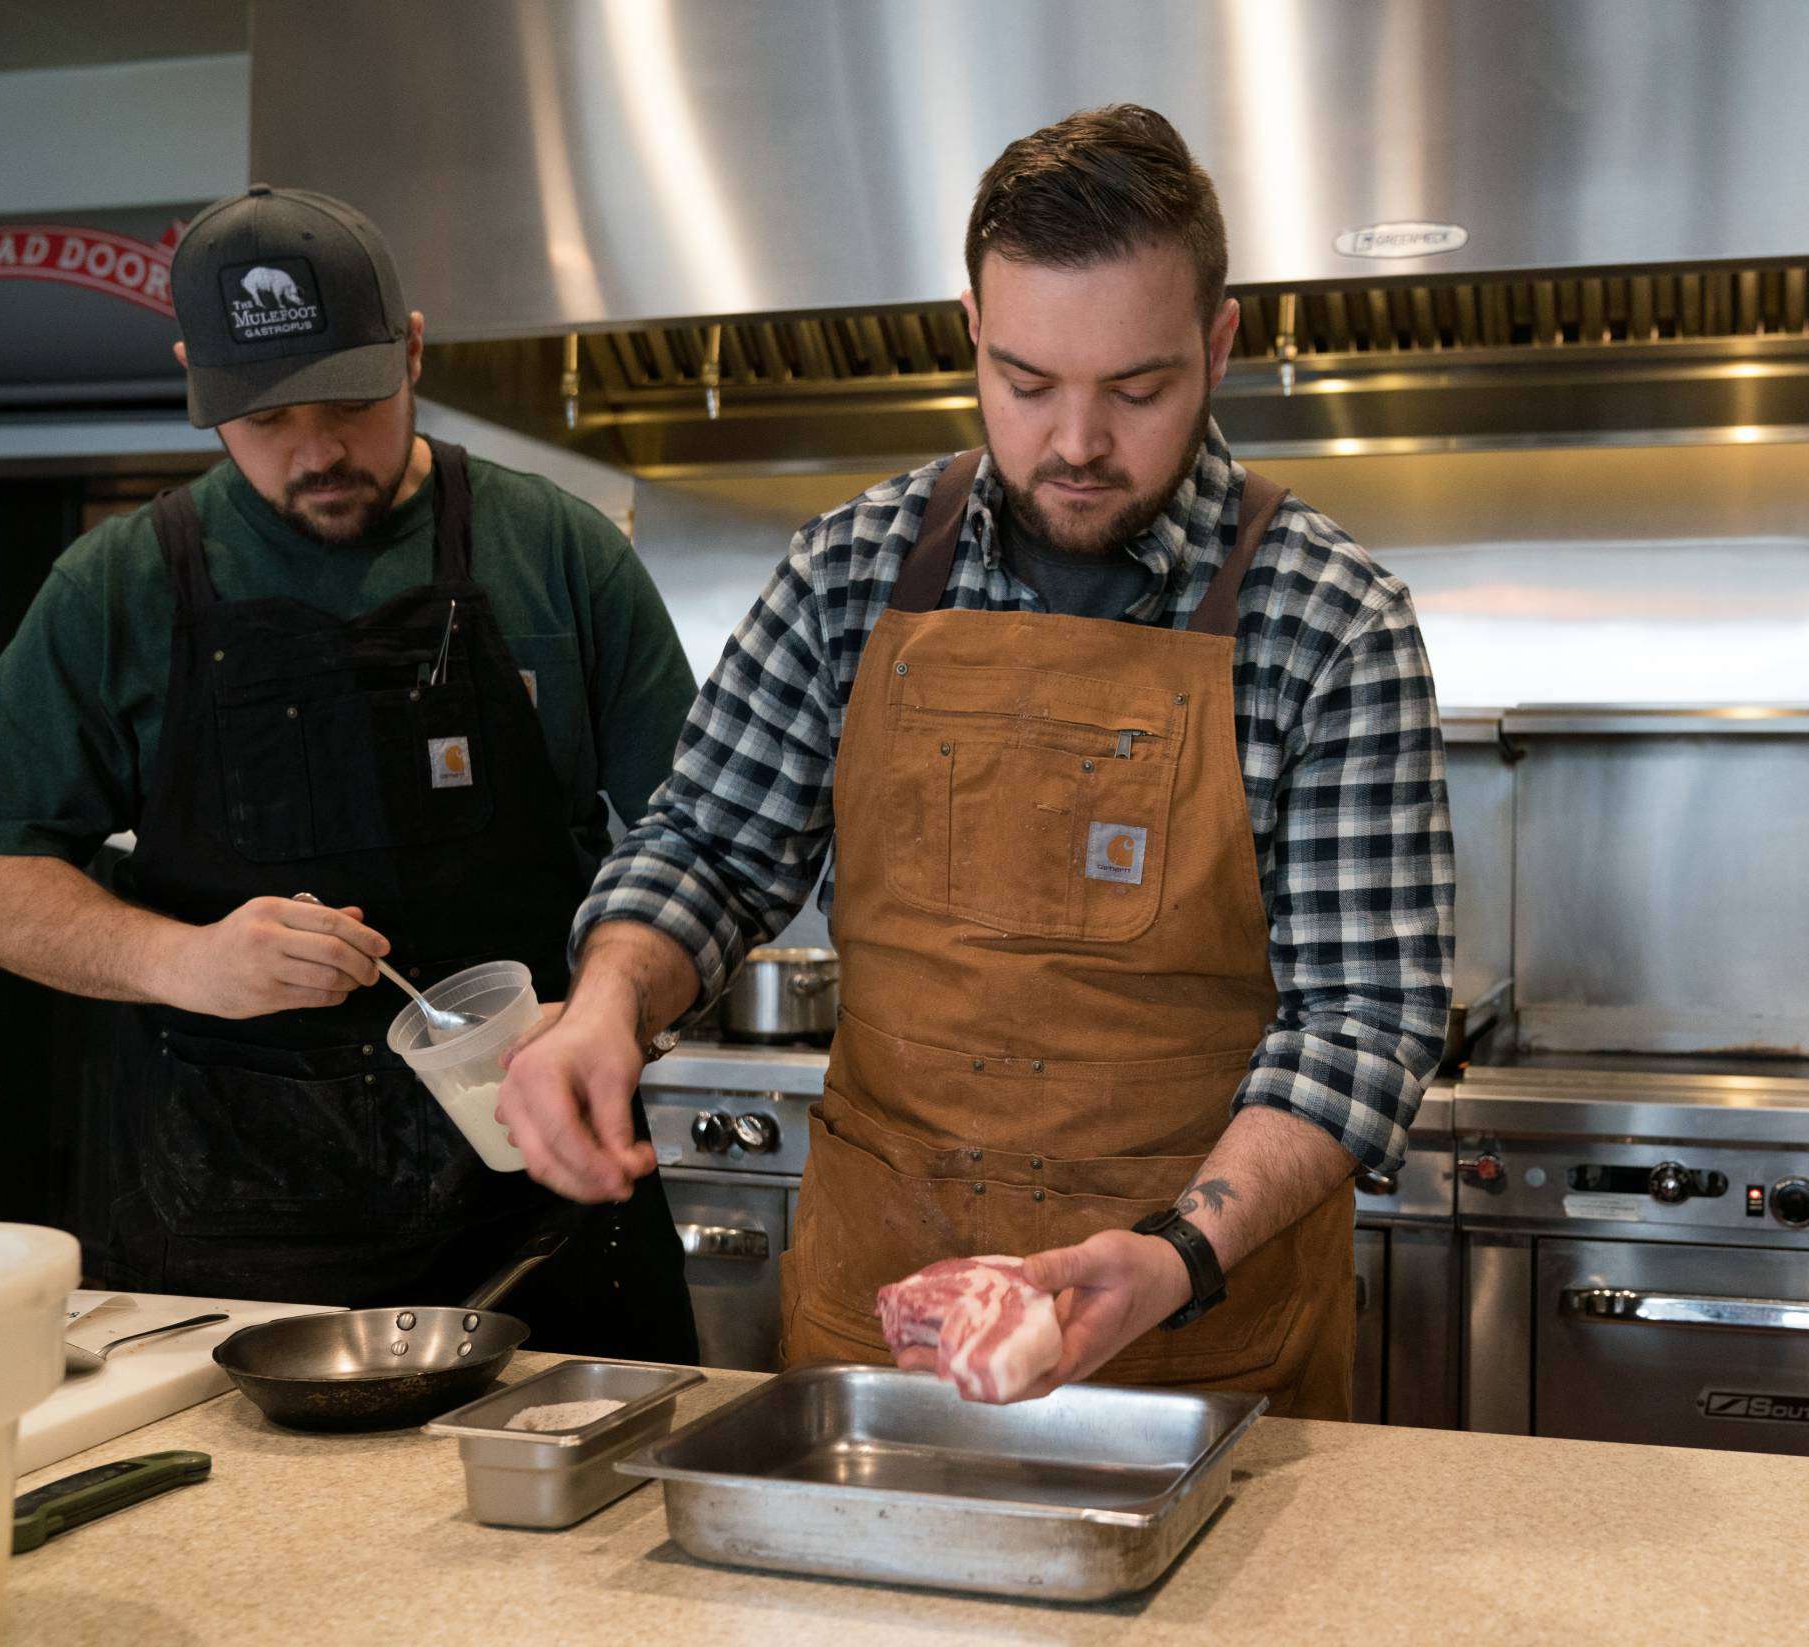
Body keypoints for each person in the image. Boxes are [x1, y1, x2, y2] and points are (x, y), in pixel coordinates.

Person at [500, 105, 1452, 1416]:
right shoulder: (851, 570)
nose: (1074, 440)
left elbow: (1362, 1015)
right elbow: (706, 851)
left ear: (1217, 344)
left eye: (1136, 387)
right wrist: (608, 999)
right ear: (969, 332)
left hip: (1196, 1347)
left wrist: (1179, 1250)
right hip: (875, 1333)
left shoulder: (1328, 619)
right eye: (1024, 380)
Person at [0, 185, 698, 1360]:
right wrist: (180, 959)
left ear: (409, 348)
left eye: (350, 400)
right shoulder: (117, 588)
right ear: (199, 380)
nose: (315, 452)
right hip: (237, 1250)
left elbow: (698, 842)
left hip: (549, 1214)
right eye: (263, 418)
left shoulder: (556, 553)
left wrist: (612, 1010)